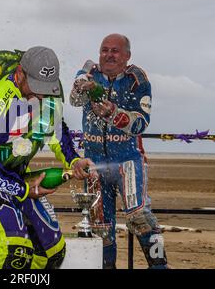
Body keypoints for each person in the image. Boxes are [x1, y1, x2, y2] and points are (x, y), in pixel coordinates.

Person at [0, 46, 97, 269]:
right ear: (19, 73)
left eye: (46, 89)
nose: (41, 95)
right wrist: (24, 189)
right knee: (17, 253)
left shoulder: (48, 97)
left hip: (18, 178)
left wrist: (74, 161)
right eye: (35, 88)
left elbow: (57, 131)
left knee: (52, 252)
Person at [69, 34, 168, 269]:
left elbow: (142, 123)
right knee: (100, 227)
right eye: (104, 50)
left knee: (140, 218)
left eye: (115, 51)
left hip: (127, 160)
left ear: (127, 56)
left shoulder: (137, 79)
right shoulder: (89, 71)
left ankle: (160, 266)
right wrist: (84, 84)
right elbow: (74, 99)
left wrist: (115, 114)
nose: (109, 55)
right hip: (94, 164)